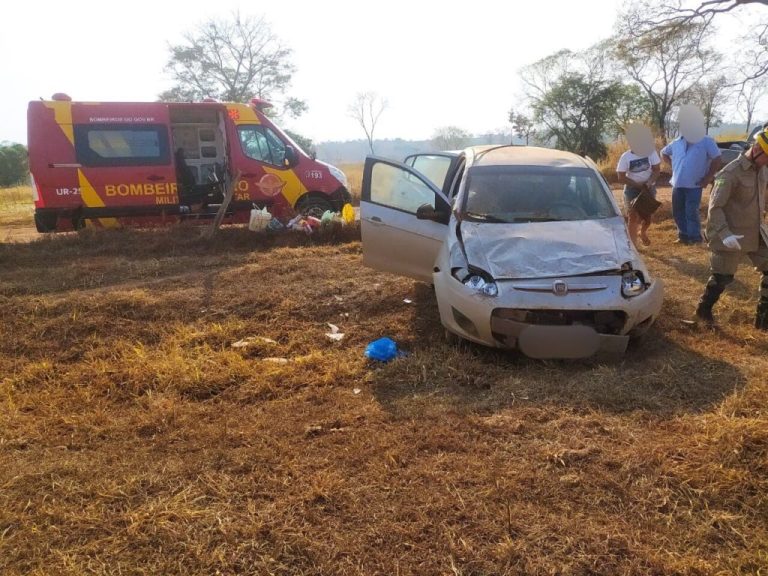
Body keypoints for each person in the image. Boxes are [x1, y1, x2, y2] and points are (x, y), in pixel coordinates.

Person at [694, 128, 768, 330]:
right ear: (757, 149)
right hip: (731, 233)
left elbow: (763, 198)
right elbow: (715, 207)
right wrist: (725, 235)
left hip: (756, 232)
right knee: (723, 277)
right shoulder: (730, 173)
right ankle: (703, 310)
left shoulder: (763, 170)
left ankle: (763, 321)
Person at [661, 124, 723, 245]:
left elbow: (717, 159)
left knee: (691, 211)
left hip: (695, 184)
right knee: (678, 211)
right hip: (677, 183)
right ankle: (683, 236)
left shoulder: (706, 141)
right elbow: (663, 153)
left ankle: (695, 238)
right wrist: (673, 166)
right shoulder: (676, 142)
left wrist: (708, 178)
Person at [616, 144, 661, 246]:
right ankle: (633, 246)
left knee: (647, 216)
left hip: (648, 188)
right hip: (631, 189)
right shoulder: (625, 157)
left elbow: (657, 170)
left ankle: (643, 232)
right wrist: (637, 185)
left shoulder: (651, 152)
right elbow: (621, 177)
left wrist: (649, 183)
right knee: (632, 217)